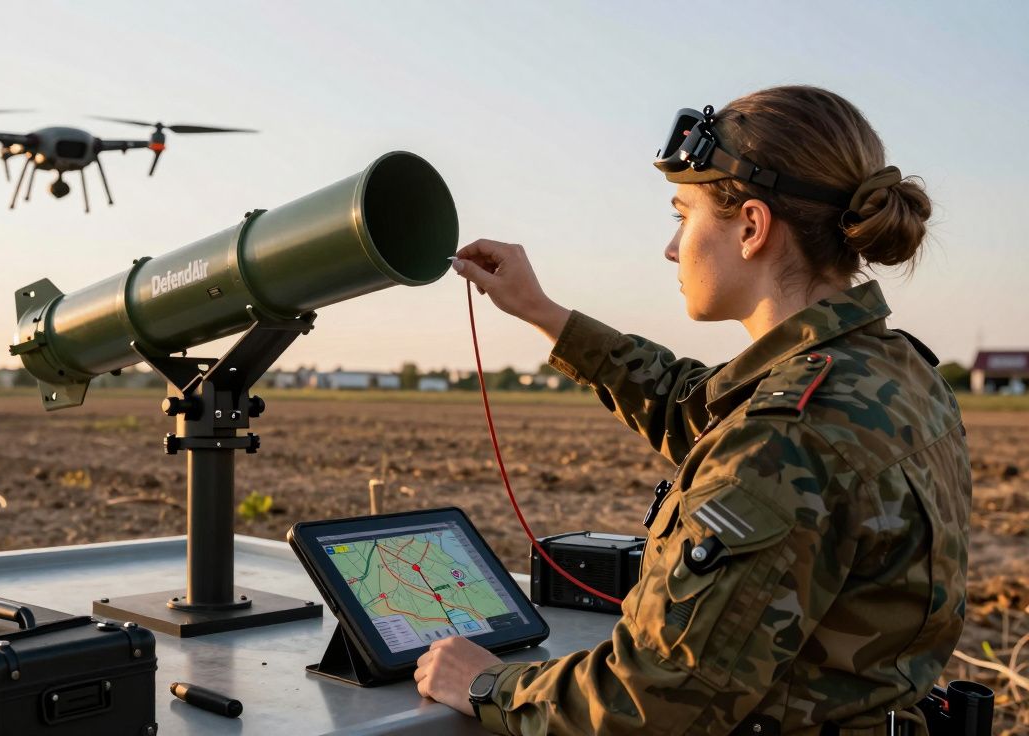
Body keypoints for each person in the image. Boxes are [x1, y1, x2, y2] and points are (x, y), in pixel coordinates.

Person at [413, 86, 971, 735]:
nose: (673, 247)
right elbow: (701, 409)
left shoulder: (783, 440)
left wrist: (486, 684)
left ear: (752, 227)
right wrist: (544, 313)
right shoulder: (892, 372)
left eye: (685, 215)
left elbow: (647, 703)